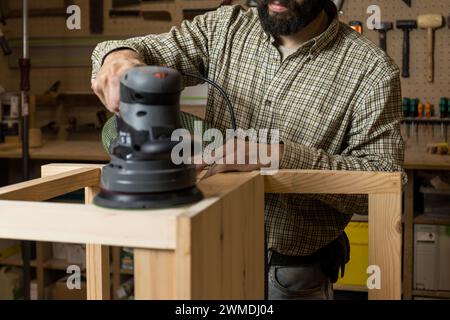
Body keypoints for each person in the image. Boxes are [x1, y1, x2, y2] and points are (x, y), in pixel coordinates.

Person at [91, 0, 405, 300]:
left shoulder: (372, 70)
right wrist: (121, 61)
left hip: (292, 275)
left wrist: (276, 156)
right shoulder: (225, 27)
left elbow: (384, 182)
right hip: (212, 252)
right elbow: (135, 51)